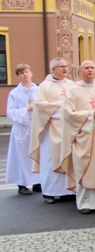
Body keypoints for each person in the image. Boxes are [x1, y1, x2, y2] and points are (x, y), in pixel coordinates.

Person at [59, 60, 95, 214]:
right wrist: (90, 115)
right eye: (87, 68)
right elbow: (68, 113)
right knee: (86, 169)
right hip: (84, 137)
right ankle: (87, 203)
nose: (90, 70)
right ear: (80, 72)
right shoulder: (73, 91)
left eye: (93, 68)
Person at [29, 57, 76, 203]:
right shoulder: (44, 86)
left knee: (69, 158)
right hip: (51, 128)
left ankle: (69, 190)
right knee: (50, 160)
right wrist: (62, 106)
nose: (65, 69)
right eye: (61, 66)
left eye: (66, 66)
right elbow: (40, 107)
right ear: (53, 69)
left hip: (68, 127)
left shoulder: (72, 85)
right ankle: (50, 192)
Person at [6, 64, 41, 195]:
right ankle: (22, 184)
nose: (25, 75)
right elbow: (10, 112)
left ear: (31, 73)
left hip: (36, 127)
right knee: (21, 157)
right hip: (22, 129)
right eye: (21, 73)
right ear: (18, 76)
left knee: (38, 155)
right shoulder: (15, 93)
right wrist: (26, 110)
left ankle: (38, 182)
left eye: (26, 72)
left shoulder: (39, 90)